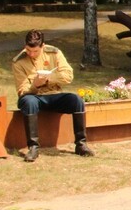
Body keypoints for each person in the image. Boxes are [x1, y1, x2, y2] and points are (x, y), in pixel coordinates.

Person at [11, 30, 94, 162]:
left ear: (43, 46)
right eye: (28, 50)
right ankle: (33, 147)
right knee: (29, 102)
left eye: (35, 51)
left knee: (76, 100)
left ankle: (81, 144)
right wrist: (35, 85)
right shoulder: (18, 62)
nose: (31, 54)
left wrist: (49, 79)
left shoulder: (54, 53)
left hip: (54, 94)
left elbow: (68, 76)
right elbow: (22, 91)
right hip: (34, 97)